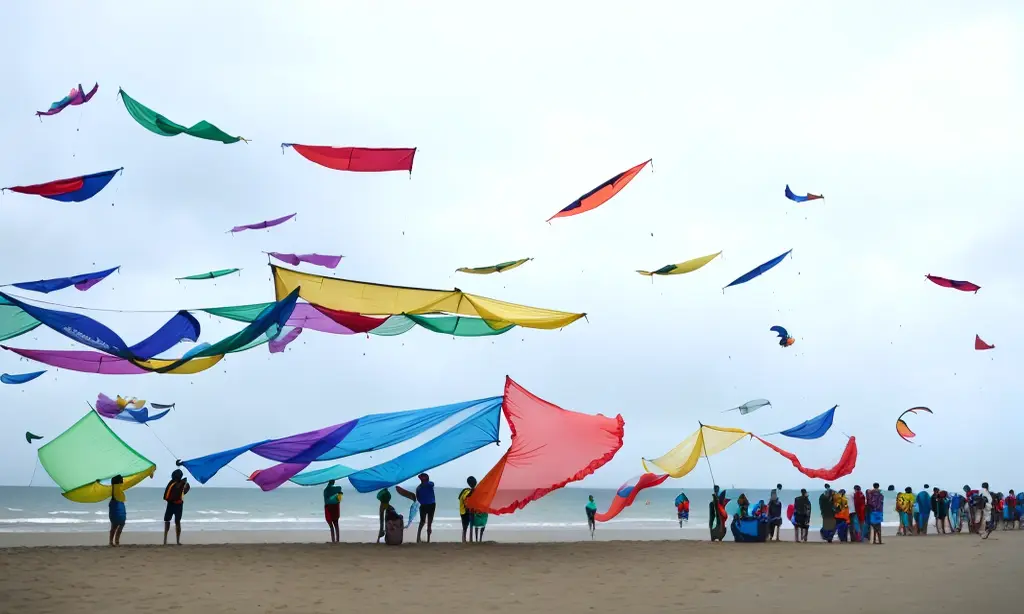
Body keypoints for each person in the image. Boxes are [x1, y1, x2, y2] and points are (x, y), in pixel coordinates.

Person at [162, 469, 191, 546]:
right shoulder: (172, 483)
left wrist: (183, 490)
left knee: (176, 522)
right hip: (171, 504)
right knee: (167, 520)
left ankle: (176, 541)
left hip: (178, 505)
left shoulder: (182, 483)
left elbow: (186, 489)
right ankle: (165, 540)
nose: (173, 477)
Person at [415, 473, 436, 543]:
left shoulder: (425, 486)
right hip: (427, 505)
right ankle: (420, 538)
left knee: (426, 522)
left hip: (428, 505)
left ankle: (426, 539)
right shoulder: (421, 487)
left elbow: (418, 498)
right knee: (424, 522)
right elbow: (417, 498)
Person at [108, 475, 126, 547]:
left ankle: (116, 540)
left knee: (121, 523)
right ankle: (112, 541)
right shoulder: (114, 488)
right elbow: (114, 480)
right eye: (121, 481)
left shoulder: (119, 489)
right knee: (115, 525)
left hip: (120, 504)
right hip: (115, 505)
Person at [323, 479, 343, 544]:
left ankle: (333, 540)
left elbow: (326, 499)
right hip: (335, 507)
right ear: (333, 482)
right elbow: (339, 488)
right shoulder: (336, 489)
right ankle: (337, 540)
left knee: (331, 526)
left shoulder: (325, 490)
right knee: (336, 525)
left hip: (328, 507)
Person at [459, 476, 477, 543]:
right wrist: (472, 490)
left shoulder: (467, 490)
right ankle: (464, 540)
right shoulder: (466, 491)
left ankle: (470, 539)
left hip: (470, 510)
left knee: (470, 524)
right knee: (465, 526)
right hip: (464, 511)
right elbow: (467, 496)